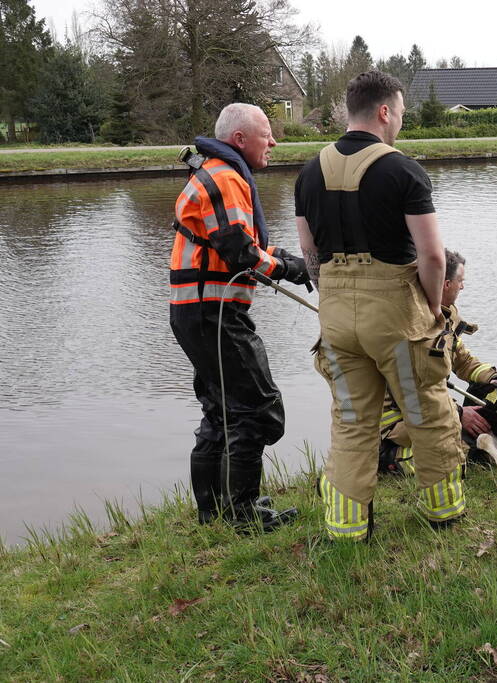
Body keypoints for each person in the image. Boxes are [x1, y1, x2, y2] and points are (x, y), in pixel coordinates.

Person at [295, 70, 465, 542]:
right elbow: (432, 255)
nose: (401, 125)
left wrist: (330, 294)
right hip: (395, 316)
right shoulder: (403, 170)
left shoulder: (308, 173)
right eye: (402, 115)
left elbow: (309, 252)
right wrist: (432, 306)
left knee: (351, 421)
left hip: (335, 314)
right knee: (426, 412)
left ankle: (347, 528)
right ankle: (443, 512)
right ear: (385, 111)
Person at [169, 102, 310, 531]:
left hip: (195, 312)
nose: (274, 142)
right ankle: (243, 516)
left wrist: (282, 258)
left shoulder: (213, 171)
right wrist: (287, 267)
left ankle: (215, 511)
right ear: (239, 140)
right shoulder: (226, 178)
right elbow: (241, 252)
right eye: (267, 134)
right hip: (214, 313)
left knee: (220, 409)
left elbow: (236, 245)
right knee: (257, 409)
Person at [378, 249, 497, 476]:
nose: (462, 287)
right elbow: (417, 388)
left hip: (425, 407)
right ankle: (385, 458)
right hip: (395, 417)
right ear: (445, 284)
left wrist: (495, 377)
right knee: (452, 452)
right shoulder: (413, 325)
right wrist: (459, 414)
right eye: (460, 281)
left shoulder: (446, 315)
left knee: (465, 444)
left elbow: (461, 358)